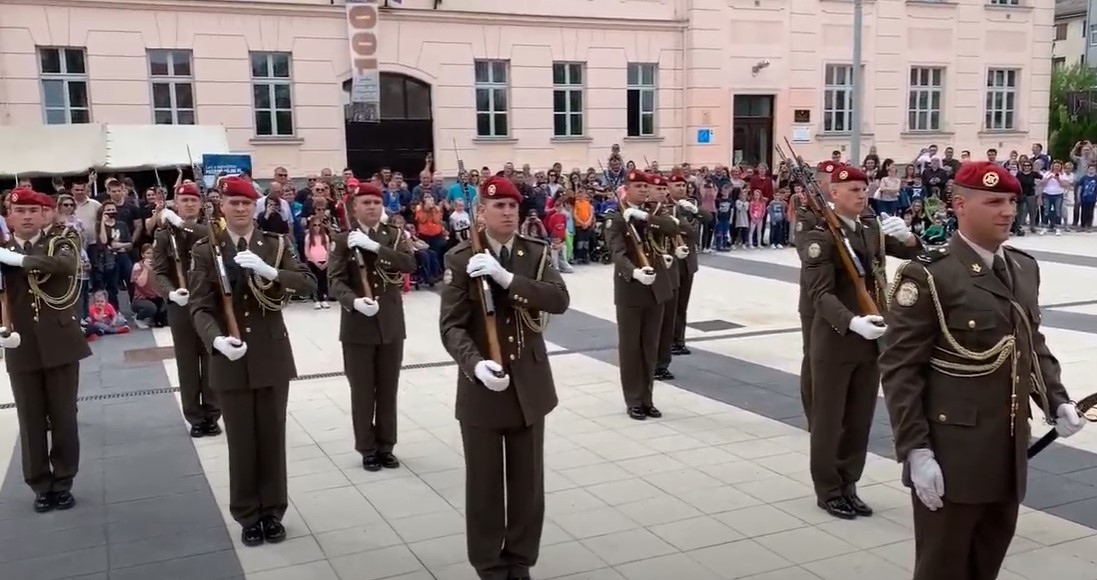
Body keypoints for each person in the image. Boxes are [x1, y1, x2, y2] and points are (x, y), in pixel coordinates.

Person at [879, 161, 1084, 580]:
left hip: (1008, 450)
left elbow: (1029, 340)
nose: (1007, 210)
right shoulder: (930, 275)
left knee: (986, 562)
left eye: (1011, 200)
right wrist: (916, 451)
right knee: (943, 567)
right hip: (952, 452)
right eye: (993, 201)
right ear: (959, 205)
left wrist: (1055, 399)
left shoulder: (1023, 267)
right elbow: (901, 370)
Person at [439, 176, 570, 580]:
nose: (508, 213)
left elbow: (559, 299)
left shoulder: (534, 252)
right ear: (482, 212)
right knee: (485, 485)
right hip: (483, 388)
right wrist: (474, 364)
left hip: (528, 385)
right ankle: (489, 562)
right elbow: (451, 327)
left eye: (513, 206)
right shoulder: (460, 258)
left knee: (528, 483)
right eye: (499, 207)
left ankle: (520, 557)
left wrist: (507, 279)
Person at [188, 176, 316, 547]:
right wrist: (215, 340)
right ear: (221, 207)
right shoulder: (205, 249)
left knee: (272, 437)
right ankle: (247, 513)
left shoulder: (274, 245)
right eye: (233, 202)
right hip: (230, 357)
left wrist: (270, 271)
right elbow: (199, 306)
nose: (240, 208)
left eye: (246, 203)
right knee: (242, 440)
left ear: (255, 206)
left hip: (270, 354)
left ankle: (273, 511)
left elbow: (307, 283)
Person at [797, 164, 923, 519]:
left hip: (873, 338)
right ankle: (828, 489)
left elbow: (912, 254)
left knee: (858, 418)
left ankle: (849, 483)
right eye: (852, 189)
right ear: (833, 193)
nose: (861, 194)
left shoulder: (870, 227)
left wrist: (911, 238)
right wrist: (851, 321)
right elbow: (819, 294)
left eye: (863, 189)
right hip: (836, 338)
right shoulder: (819, 235)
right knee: (829, 419)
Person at [0, 187, 90, 512]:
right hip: (21, 346)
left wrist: (21, 260)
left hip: (60, 344)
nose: (26, 216)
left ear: (45, 215)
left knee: (64, 417)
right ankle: (39, 483)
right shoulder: (2, 250)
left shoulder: (61, 242)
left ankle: (64, 480)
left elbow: (65, 266)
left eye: (33, 211)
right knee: (31, 420)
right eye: (19, 210)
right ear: (8, 216)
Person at [328, 183, 416, 471]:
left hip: (390, 324)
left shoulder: (394, 235)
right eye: (365, 202)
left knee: (388, 390)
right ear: (354, 207)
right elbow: (335, 280)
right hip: (358, 327)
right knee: (363, 391)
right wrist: (353, 302)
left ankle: (386, 445)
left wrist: (376, 247)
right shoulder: (343, 240)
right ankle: (367, 447)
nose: (371, 207)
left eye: (376, 202)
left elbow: (408, 263)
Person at [603, 171, 679, 420]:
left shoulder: (651, 214)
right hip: (631, 290)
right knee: (631, 349)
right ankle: (633, 400)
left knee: (650, 347)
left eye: (646, 186)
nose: (644, 190)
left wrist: (645, 216)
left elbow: (671, 228)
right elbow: (617, 253)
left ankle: (647, 399)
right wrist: (633, 272)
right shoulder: (615, 218)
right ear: (626, 188)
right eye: (639, 186)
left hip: (656, 289)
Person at [152, 182, 219, 438]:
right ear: (175, 204)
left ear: (200, 205)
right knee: (188, 364)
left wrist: (181, 224)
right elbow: (158, 272)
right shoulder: (162, 236)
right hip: (181, 306)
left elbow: (213, 239)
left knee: (212, 359)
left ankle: (213, 413)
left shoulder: (209, 228)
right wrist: (170, 292)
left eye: (193, 200)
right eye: (184, 201)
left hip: (209, 303)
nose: (189, 204)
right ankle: (195, 417)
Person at [794, 162, 835, 430]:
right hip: (815, 297)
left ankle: (834, 411)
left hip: (844, 300)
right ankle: (814, 414)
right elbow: (807, 253)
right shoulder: (807, 215)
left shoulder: (852, 215)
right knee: (814, 356)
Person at [669, 171, 712, 356]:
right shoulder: (664, 206)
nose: (681, 188)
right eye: (677, 185)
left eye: (683, 185)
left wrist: (695, 211)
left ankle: (679, 340)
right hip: (672, 261)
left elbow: (708, 219)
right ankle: (668, 341)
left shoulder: (691, 204)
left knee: (682, 305)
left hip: (688, 261)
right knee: (671, 304)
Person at [651, 174, 685, 381]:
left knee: (668, 321)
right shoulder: (643, 213)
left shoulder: (673, 210)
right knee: (654, 323)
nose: (663, 193)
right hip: (653, 274)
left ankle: (663, 362)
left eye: (665, 189)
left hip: (671, 272)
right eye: (658, 189)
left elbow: (687, 229)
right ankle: (650, 362)